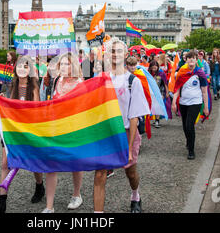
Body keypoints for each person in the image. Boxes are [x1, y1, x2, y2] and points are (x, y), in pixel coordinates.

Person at [94, 38, 150, 213]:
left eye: (119, 51)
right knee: (100, 174)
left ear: (125, 55)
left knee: (130, 173)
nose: (115, 54)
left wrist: (128, 146)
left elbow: (134, 117)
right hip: (105, 133)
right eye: (112, 51)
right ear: (107, 55)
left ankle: (135, 195)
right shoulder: (100, 79)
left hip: (126, 133)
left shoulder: (133, 81)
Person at [0, 56, 41, 213]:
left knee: (33, 163)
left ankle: (39, 186)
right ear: (15, 68)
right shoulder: (12, 84)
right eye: (20, 66)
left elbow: (36, 110)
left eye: (26, 66)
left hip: (28, 131)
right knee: (5, 163)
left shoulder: (34, 87)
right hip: (12, 130)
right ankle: (2, 202)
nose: (22, 69)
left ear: (30, 70)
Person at [42, 52, 85, 213]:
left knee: (76, 164)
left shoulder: (80, 83)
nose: (64, 67)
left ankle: (76, 195)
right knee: (51, 165)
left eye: (67, 64)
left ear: (74, 65)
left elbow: (82, 107)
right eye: (62, 64)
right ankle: (49, 206)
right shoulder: (58, 81)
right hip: (56, 127)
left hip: (74, 129)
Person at [171, 51, 209, 160]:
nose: (191, 60)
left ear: (197, 60)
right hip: (183, 102)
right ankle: (189, 140)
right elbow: (177, 88)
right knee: (184, 125)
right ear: (186, 60)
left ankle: (191, 150)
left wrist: (206, 107)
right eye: (189, 58)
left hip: (196, 102)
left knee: (189, 125)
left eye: (193, 58)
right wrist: (174, 102)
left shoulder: (200, 73)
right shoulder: (181, 72)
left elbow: (204, 91)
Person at [148, 60, 172, 128]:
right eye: (152, 67)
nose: (154, 68)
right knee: (153, 106)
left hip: (160, 92)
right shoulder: (149, 73)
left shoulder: (161, 73)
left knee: (158, 106)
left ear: (157, 67)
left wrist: (167, 92)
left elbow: (165, 83)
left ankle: (157, 121)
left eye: (155, 66)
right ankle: (155, 119)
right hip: (151, 92)